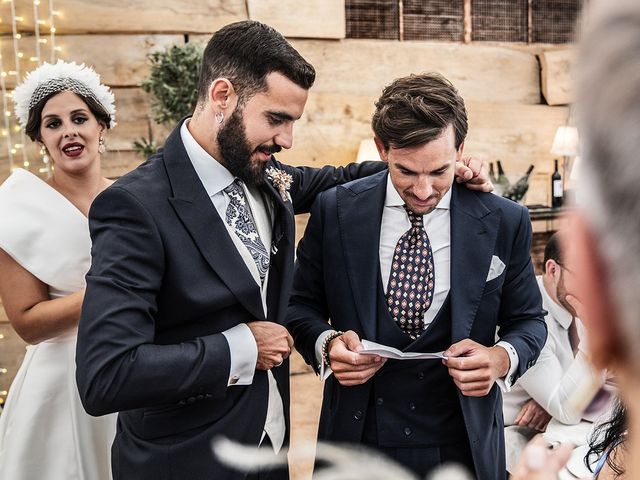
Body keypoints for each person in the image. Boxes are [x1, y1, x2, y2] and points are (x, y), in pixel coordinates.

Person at [74, 21, 490, 480]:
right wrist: (241, 347)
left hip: (270, 451)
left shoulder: (269, 177)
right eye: (276, 119)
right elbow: (106, 374)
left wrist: (438, 168)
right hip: (184, 461)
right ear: (222, 96)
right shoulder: (135, 206)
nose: (287, 140)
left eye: (293, 122)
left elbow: (344, 179)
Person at [285, 72, 547, 480]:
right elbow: (298, 305)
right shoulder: (335, 210)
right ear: (381, 148)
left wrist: (500, 359)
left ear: (461, 150)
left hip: (465, 443)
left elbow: (529, 320)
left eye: (439, 171)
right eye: (406, 171)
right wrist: (327, 343)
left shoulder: (505, 220)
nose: (423, 190)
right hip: (357, 441)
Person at [510, 0, 640, 478]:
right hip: (523, 441)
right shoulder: (526, 317)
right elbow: (572, 401)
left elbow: (586, 396)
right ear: (551, 267)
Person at [0, 61, 117, 479]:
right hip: (59, 384)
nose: (68, 131)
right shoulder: (16, 208)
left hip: (130, 370)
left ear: (101, 127)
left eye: (79, 118)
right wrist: (112, 293)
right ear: (39, 138)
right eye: (53, 123)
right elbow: (28, 323)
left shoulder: (134, 199)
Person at [502, 233, 605, 471]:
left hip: (563, 429)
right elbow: (569, 410)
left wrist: (553, 402)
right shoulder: (526, 314)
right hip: (513, 435)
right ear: (552, 269)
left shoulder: (577, 305)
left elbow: (597, 393)